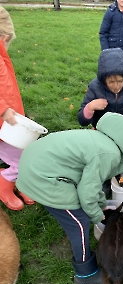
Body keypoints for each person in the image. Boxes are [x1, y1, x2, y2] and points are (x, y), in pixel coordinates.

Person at [16, 112, 123, 284]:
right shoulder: (107, 155)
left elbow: (90, 184)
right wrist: (96, 215)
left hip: (33, 165)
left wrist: (101, 204)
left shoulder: (99, 138)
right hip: (42, 179)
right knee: (79, 221)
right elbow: (87, 194)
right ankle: (85, 274)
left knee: (85, 202)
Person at [0, 6, 35, 211]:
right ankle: (4, 185)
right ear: (4, 37)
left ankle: (20, 182)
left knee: (23, 152)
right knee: (21, 159)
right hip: (4, 122)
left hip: (10, 120)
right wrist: (4, 108)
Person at [78, 47, 123, 130]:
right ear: (103, 79)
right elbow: (82, 121)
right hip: (100, 129)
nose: (116, 86)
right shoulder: (95, 87)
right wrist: (91, 107)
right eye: (111, 82)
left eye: (120, 81)